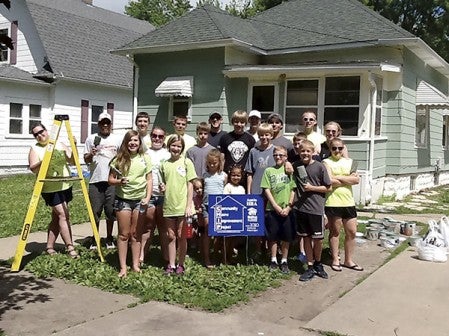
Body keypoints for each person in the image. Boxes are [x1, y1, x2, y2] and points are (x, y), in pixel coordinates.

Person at [28, 123, 79, 259]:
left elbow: (73, 161)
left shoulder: (59, 144)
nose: (39, 135)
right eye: (36, 134)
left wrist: (73, 146)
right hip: (49, 188)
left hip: (65, 185)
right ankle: (70, 247)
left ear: (46, 130)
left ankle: (49, 247)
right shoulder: (35, 148)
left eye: (41, 131)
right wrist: (45, 160)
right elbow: (33, 168)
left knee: (56, 217)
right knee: (63, 214)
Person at [108, 130, 152, 278]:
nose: (133, 143)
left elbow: (149, 179)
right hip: (123, 201)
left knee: (135, 234)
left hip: (139, 201)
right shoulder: (119, 159)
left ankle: (135, 264)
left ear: (140, 143)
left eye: (136, 140)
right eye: (130, 141)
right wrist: (119, 181)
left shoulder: (145, 158)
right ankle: (122, 267)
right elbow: (110, 179)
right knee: (123, 235)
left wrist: (147, 197)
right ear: (126, 143)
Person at [293, 140, 332, 282]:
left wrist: (312, 188)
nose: (305, 153)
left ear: (312, 152)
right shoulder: (295, 166)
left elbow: (328, 188)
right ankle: (310, 266)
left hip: (316, 209)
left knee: (318, 239)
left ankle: (318, 263)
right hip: (301, 208)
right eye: (302, 151)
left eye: (308, 151)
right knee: (306, 238)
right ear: (298, 152)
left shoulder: (320, 167)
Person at [323, 138, 362, 272]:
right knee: (335, 232)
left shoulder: (351, 162)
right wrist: (347, 179)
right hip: (333, 202)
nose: (337, 151)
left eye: (340, 148)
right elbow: (329, 181)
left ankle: (348, 260)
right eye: (334, 148)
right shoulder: (326, 162)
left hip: (348, 202)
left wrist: (338, 177)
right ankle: (335, 259)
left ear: (343, 148)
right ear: (330, 149)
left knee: (352, 231)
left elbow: (356, 180)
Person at [159, 135, 197, 275]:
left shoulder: (187, 162)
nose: (176, 148)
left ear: (182, 148)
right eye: (173, 145)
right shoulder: (164, 164)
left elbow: (190, 185)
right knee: (171, 236)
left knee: (182, 236)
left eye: (178, 146)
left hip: (183, 206)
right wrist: (163, 189)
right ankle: (171, 264)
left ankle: (181, 264)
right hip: (169, 205)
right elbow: (164, 184)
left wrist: (188, 206)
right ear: (169, 146)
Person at [84, 112, 121, 249]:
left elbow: (122, 158)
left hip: (111, 180)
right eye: (102, 123)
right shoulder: (91, 139)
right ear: (98, 124)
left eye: (107, 123)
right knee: (95, 211)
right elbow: (86, 159)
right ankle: (95, 238)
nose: (105, 125)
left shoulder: (117, 139)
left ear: (111, 125)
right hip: (95, 180)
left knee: (110, 210)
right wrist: (91, 153)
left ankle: (110, 238)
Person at [260, 146, 296, 274]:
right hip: (272, 209)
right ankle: (273, 259)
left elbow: (293, 189)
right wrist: (274, 205)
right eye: (275, 155)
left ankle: (284, 260)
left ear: (286, 157)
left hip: (287, 209)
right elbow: (266, 189)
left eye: (281, 155)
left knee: (286, 237)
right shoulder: (269, 171)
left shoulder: (289, 171)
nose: (278, 157)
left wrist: (288, 207)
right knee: (273, 236)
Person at [140, 126, 171, 264]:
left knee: (164, 229)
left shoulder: (168, 154)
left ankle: (166, 258)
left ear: (164, 139)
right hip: (149, 195)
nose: (157, 139)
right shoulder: (145, 153)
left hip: (164, 197)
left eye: (160, 136)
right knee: (148, 227)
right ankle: (141, 256)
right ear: (150, 137)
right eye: (154, 136)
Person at [202, 149, 227, 267]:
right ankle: (206, 257)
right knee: (207, 230)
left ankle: (216, 255)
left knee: (218, 233)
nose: (212, 165)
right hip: (206, 206)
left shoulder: (223, 176)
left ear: (219, 163)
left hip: (219, 207)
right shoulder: (205, 175)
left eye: (214, 163)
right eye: (210, 163)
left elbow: (225, 189)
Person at [218, 110, 256, 188]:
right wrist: (221, 173)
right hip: (228, 176)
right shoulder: (225, 138)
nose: (239, 124)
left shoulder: (250, 139)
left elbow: (252, 158)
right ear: (232, 122)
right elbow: (222, 157)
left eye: (242, 122)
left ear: (245, 123)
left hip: (244, 177)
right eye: (236, 122)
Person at [245, 123, 275, 196]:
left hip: (272, 190)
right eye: (261, 135)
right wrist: (249, 192)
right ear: (258, 136)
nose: (264, 137)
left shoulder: (276, 150)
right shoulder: (253, 151)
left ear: (271, 136)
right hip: (256, 190)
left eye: (267, 135)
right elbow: (249, 173)